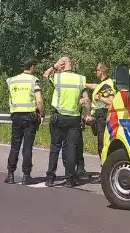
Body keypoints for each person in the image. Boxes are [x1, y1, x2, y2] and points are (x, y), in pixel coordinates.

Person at [42, 56, 88, 188]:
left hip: (58, 117)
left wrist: (55, 66)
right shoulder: (80, 78)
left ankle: (50, 178)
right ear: (72, 65)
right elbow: (86, 100)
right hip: (74, 118)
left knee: (55, 148)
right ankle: (69, 179)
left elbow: (45, 75)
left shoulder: (58, 77)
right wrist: (87, 114)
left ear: (62, 65)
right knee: (72, 149)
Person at [4, 58, 44, 185]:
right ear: (32, 67)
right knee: (27, 146)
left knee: (15, 145)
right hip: (29, 117)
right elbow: (39, 101)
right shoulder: (33, 80)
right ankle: (26, 176)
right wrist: (42, 114)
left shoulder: (12, 80)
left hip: (16, 116)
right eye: (35, 67)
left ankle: (10, 174)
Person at [84, 63, 115, 170]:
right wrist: (83, 83)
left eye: (97, 70)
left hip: (103, 116)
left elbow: (111, 101)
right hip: (99, 117)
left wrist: (100, 98)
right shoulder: (103, 84)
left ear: (101, 71)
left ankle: (105, 169)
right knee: (101, 144)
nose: (95, 72)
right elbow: (94, 86)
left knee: (102, 145)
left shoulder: (107, 85)